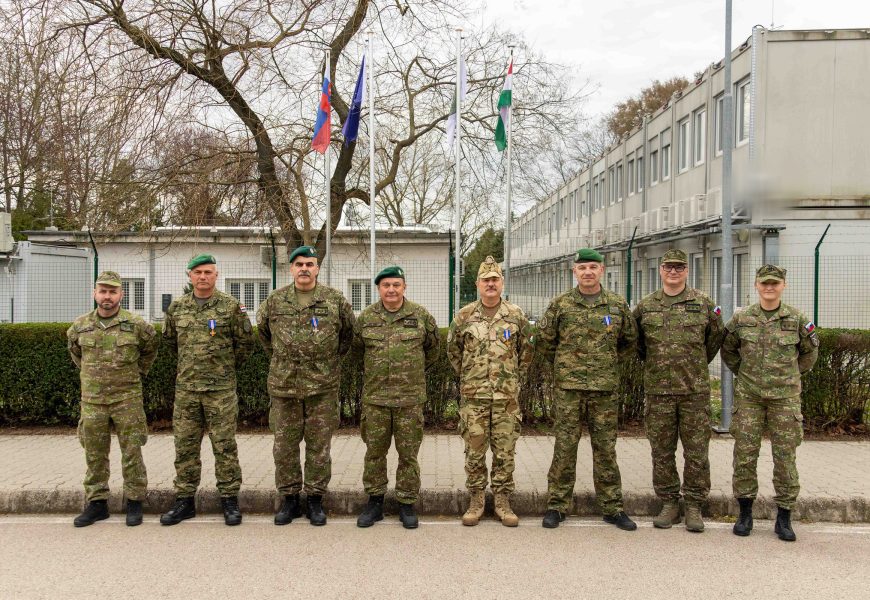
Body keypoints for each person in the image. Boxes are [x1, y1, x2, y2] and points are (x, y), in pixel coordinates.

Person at [536, 248, 638, 530]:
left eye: (593, 267)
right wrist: (566, 365)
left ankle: (613, 507)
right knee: (565, 448)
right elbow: (544, 341)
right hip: (568, 389)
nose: (588, 272)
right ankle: (557, 506)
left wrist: (607, 363)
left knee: (605, 449)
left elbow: (629, 342)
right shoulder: (560, 305)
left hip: (604, 389)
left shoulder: (616, 305)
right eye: (582, 268)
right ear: (575, 272)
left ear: (601, 270)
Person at [257, 245, 356, 526]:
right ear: (291, 269)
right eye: (299, 264)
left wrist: (326, 363)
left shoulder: (335, 301)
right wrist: (285, 361)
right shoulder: (274, 301)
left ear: (317, 268)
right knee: (284, 446)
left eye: (309, 264)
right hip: (284, 386)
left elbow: (347, 336)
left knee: (319, 446)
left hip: (322, 388)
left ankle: (315, 499)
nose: (304, 269)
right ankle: (289, 499)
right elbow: (265, 336)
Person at [721, 264, 819, 542]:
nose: (769, 287)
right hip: (750, 397)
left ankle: (784, 517)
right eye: (764, 283)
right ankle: (745, 514)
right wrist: (745, 373)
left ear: (783, 286)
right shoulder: (742, 319)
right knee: (744, 455)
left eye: (774, 283)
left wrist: (790, 375)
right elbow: (728, 350)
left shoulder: (796, 319)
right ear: (756, 285)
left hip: (784, 399)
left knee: (785, 458)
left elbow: (809, 354)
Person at [633, 249, 725, 532]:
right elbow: (638, 344)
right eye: (668, 267)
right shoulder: (646, 307)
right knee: (661, 451)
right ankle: (669, 503)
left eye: (679, 267)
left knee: (696, 452)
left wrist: (693, 365)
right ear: (661, 270)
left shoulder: (703, 304)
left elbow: (714, 340)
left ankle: (694, 505)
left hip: (693, 392)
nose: (673, 272)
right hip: (658, 392)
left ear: (687, 271)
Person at [160, 254, 255, 526]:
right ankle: (184, 501)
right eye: (198, 272)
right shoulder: (177, 308)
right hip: (187, 391)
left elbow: (245, 343)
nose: (203, 277)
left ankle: (229, 500)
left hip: (220, 391)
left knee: (224, 446)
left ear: (216, 275)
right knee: (185, 446)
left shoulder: (231, 307)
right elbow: (170, 343)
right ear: (190, 276)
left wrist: (224, 368)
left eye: (208, 272)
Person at [67, 271, 159, 527]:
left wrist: (138, 372)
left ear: (121, 294)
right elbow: (76, 354)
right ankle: (97, 503)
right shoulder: (80, 326)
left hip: (126, 399)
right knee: (94, 453)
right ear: (95, 293)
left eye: (112, 291)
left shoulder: (136, 325)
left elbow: (150, 348)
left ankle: (135, 501)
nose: (107, 296)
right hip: (93, 401)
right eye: (103, 291)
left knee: (132, 451)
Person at [447, 256, 533, 527]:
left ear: (502, 282)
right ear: (478, 284)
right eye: (486, 280)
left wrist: (512, 380)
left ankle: (503, 502)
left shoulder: (516, 315)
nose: (490, 284)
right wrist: (470, 378)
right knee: (474, 453)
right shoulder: (464, 316)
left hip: (506, 400)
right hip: (474, 399)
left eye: (495, 279)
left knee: (505, 452)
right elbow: (453, 352)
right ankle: (476, 501)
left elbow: (526, 353)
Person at [354, 266, 440, 529]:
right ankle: (374, 502)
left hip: (409, 400)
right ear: (379, 289)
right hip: (376, 400)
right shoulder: (366, 318)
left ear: (404, 287)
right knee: (374, 453)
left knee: (408, 455)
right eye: (386, 285)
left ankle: (406, 503)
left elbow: (432, 351)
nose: (391, 290)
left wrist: (410, 374)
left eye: (396, 285)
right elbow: (357, 352)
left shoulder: (420, 316)